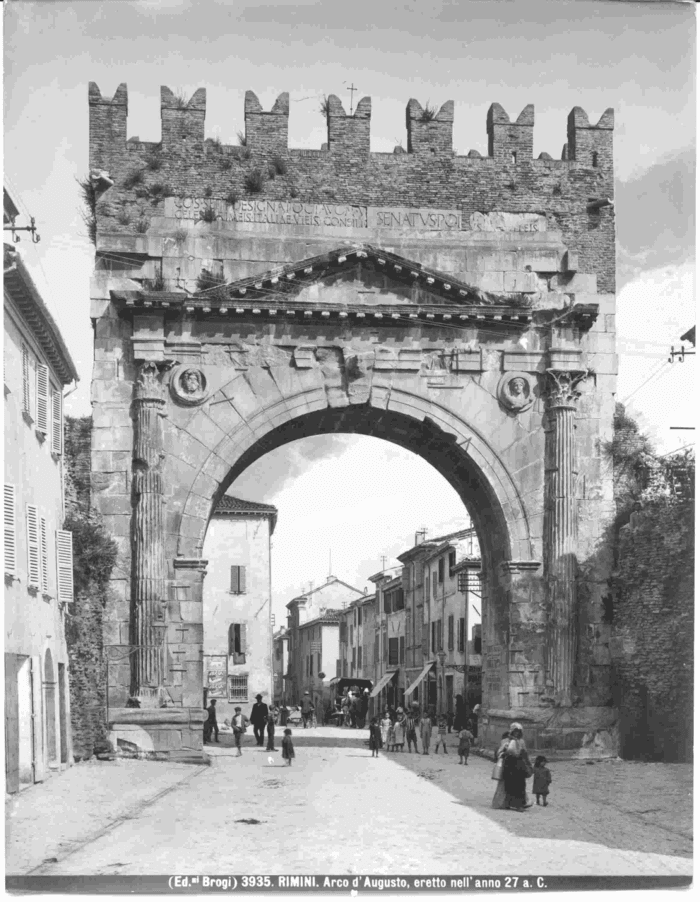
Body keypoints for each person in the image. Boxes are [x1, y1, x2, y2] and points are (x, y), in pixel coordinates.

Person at [502, 722, 532, 812]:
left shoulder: (521, 741)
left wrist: (528, 764)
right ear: (511, 731)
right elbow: (502, 751)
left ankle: (519, 804)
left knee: (520, 785)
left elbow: (525, 753)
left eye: (518, 732)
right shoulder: (507, 740)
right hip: (509, 764)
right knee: (509, 784)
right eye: (515, 731)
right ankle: (509, 803)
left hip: (519, 765)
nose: (517, 733)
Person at [491, 731, 512, 809]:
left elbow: (497, 755)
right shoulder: (506, 744)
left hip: (503, 767)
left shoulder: (502, 744)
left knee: (502, 786)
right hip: (507, 767)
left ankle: (501, 803)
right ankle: (503, 804)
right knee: (505, 786)